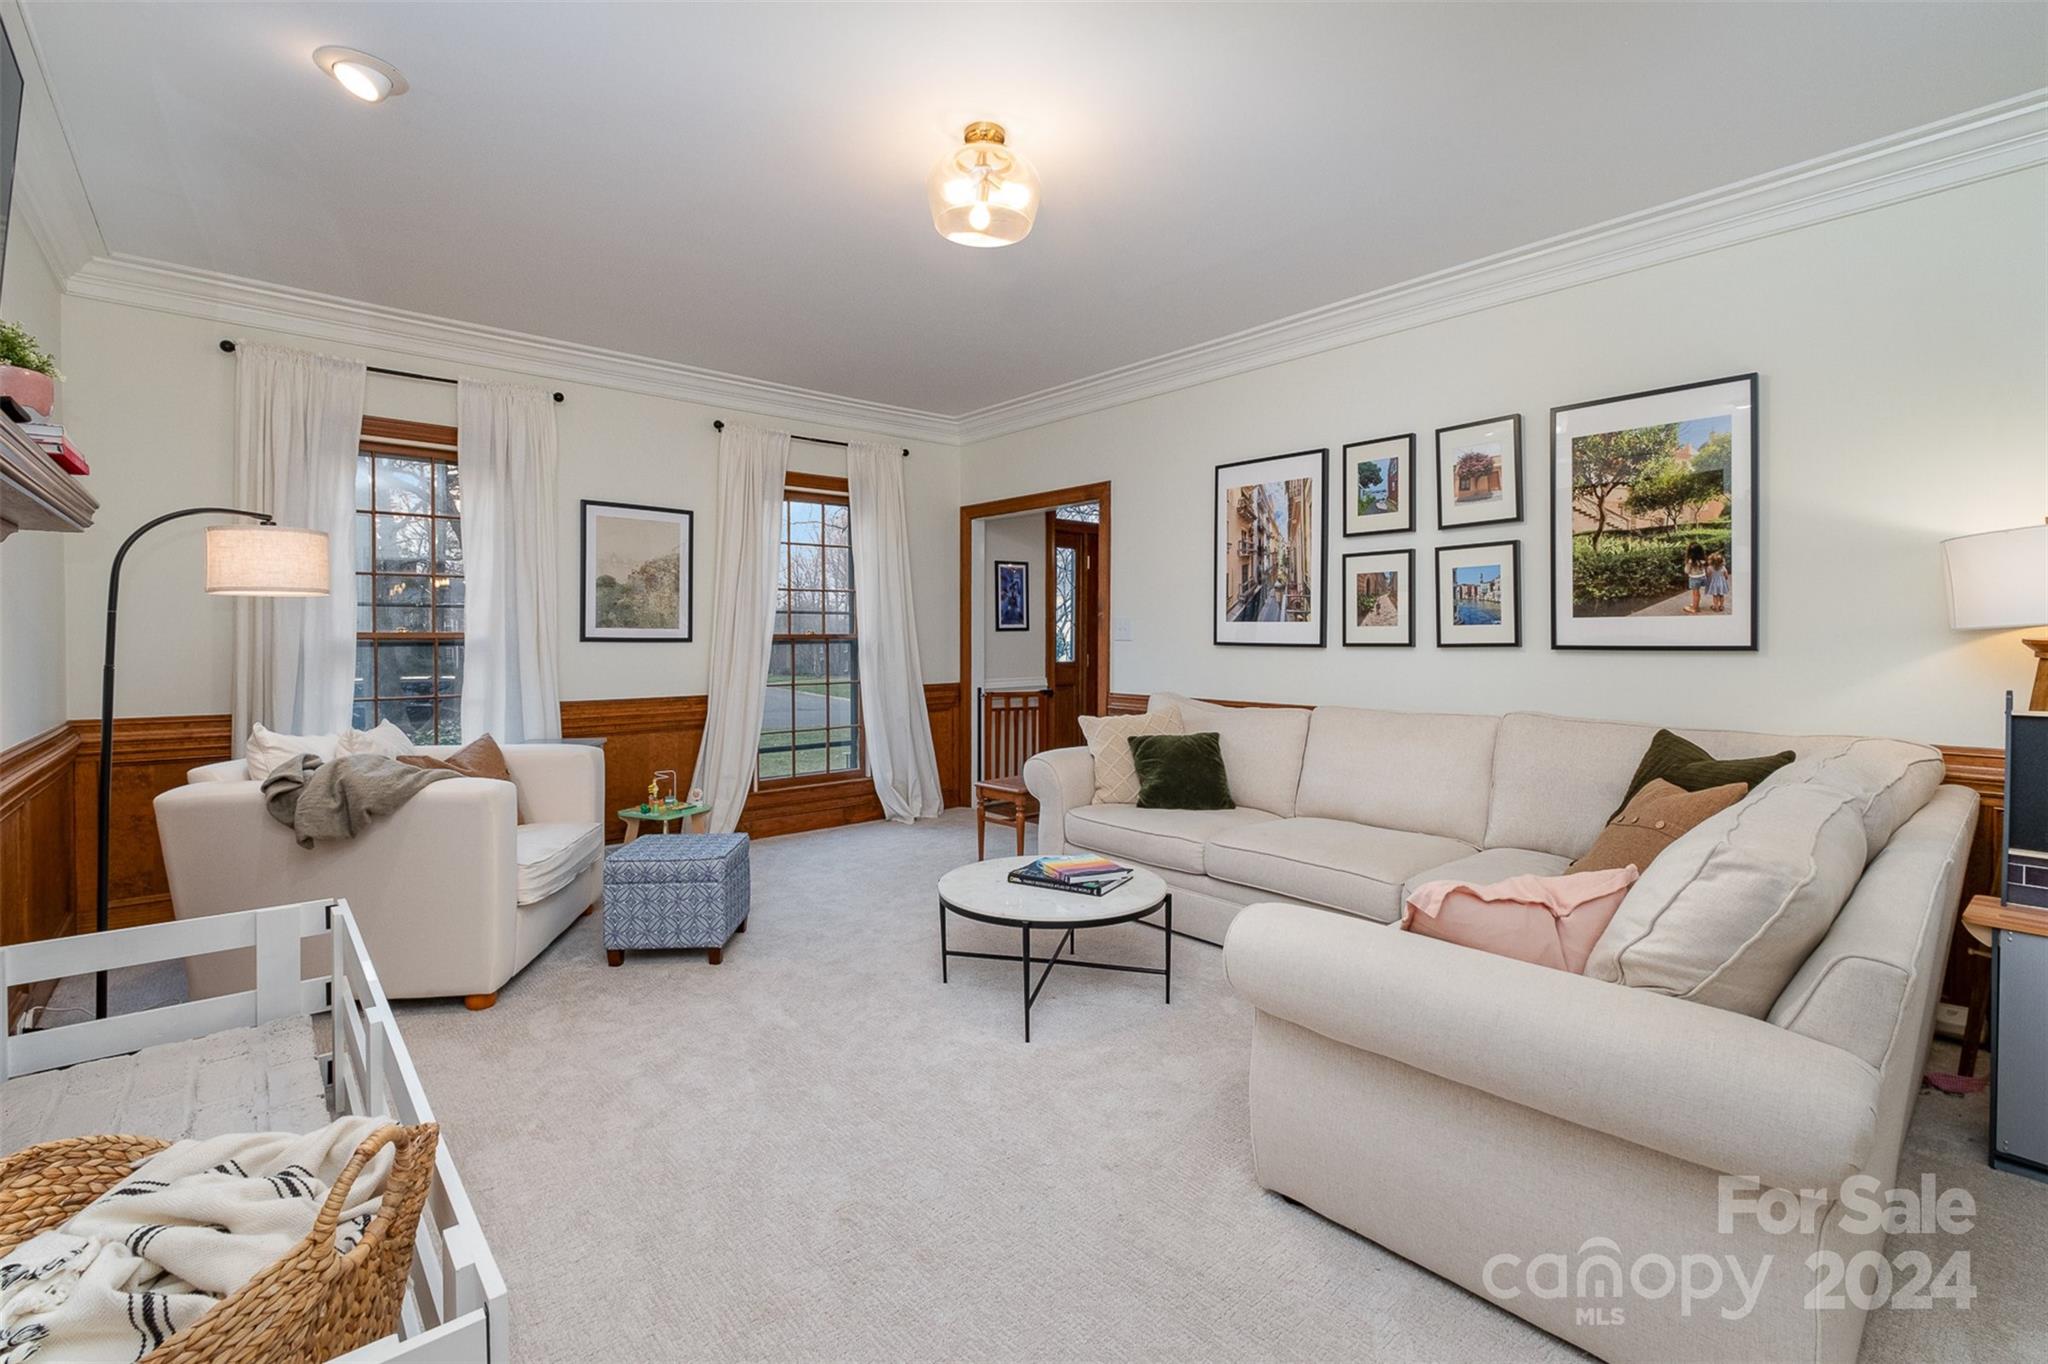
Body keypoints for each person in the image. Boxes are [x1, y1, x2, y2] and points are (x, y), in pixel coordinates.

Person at [1682, 542, 1708, 615]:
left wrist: (1687, 565)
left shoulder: (1691, 561)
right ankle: (1695, 605)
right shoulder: (1702, 559)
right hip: (1702, 577)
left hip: (1695, 579)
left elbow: (1686, 571)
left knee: (1695, 594)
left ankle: (1695, 608)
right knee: (1697, 593)